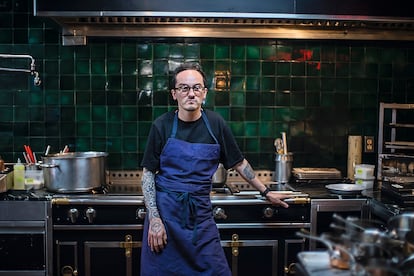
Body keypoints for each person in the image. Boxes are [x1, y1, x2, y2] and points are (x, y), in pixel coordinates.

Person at [140, 62, 293, 276]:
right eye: (184, 88)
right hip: (166, 219)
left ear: (204, 92)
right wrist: (155, 220)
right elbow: (148, 175)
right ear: (174, 94)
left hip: (200, 219)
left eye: (196, 88)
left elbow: (239, 162)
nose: (191, 93)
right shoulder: (161, 125)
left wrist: (266, 191)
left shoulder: (216, 123)